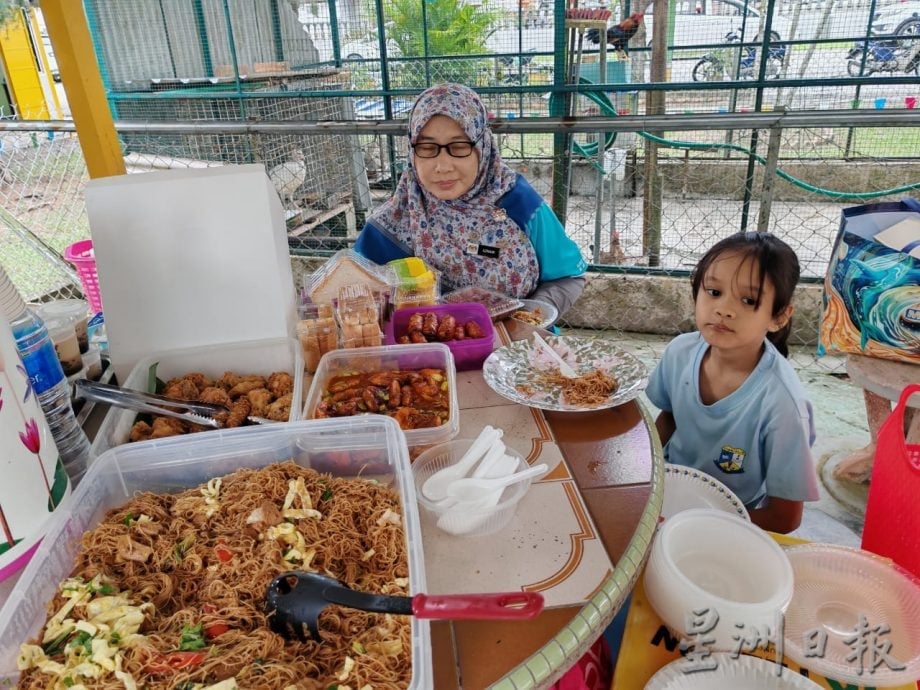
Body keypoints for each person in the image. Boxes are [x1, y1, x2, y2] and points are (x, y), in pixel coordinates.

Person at [354, 83, 587, 316]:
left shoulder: (517, 203)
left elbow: (568, 278)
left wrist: (528, 319)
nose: (443, 166)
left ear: (482, 146)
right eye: (426, 147)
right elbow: (353, 293)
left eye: (459, 146)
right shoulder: (393, 222)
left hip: (517, 349)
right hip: (426, 352)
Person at [645, 232, 819, 534]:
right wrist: (644, 475)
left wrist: (697, 521)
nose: (724, 309)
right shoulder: (680, 353)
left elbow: (785, 518)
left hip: (731, 516)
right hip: (670, 490)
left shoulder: (783, 404)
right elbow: (670, 416)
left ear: (779, 316)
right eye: (713, 291)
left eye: (748, 300)